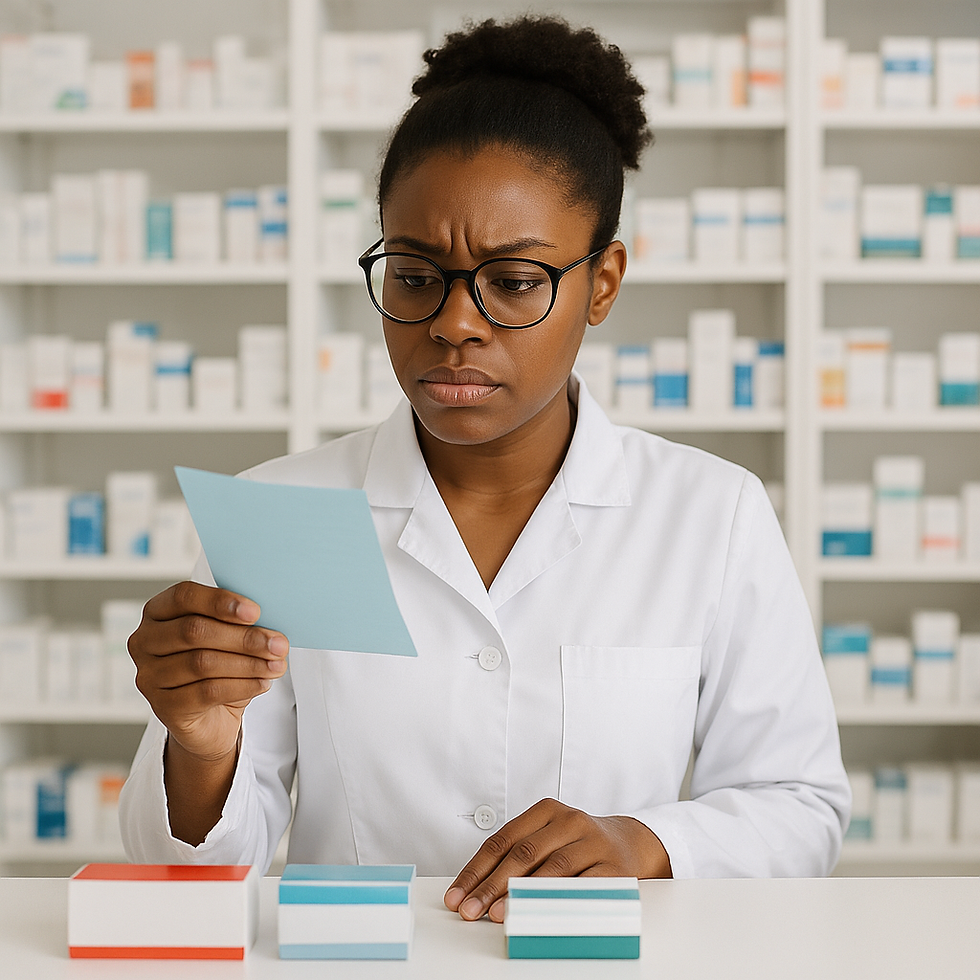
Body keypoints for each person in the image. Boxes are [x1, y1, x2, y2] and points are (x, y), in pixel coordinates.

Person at [121, 15, 850, 924]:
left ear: (604, 284)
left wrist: (648, 843)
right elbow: (190, 879)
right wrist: (198, 746)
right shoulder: (284, 512)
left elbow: (802, 808)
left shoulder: (712, 513)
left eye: (512, 281)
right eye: (416, 275)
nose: (453, 323)